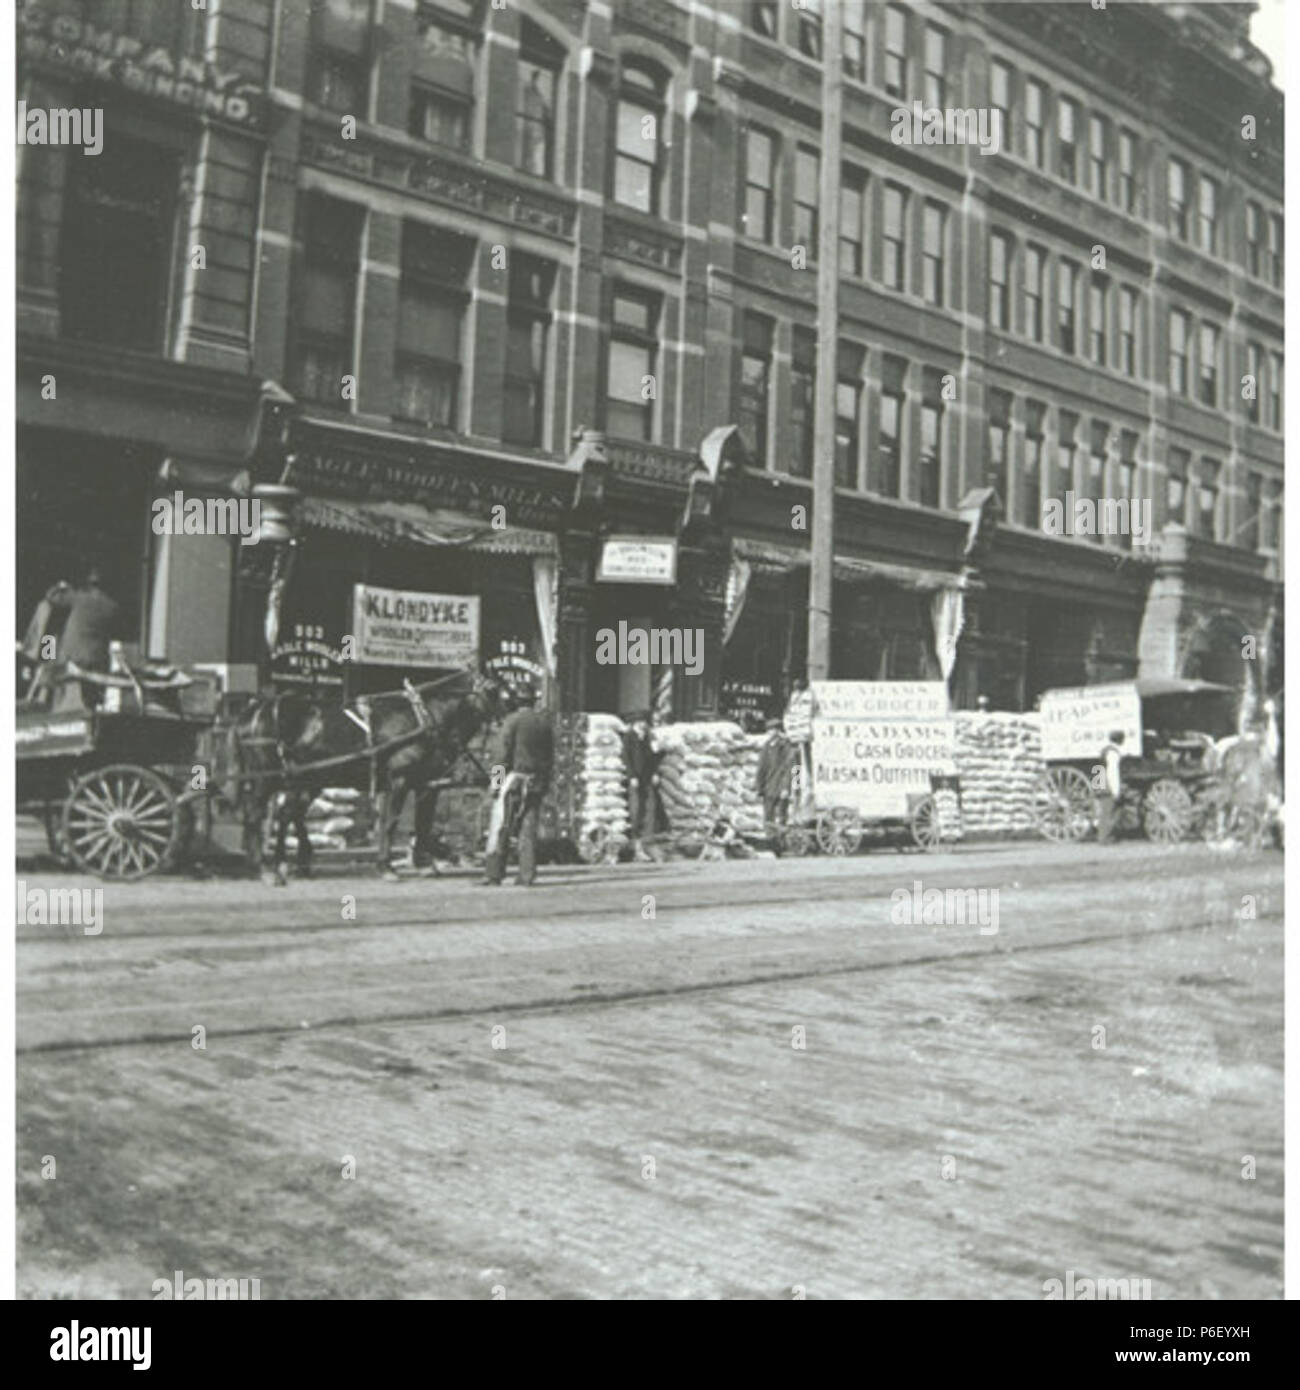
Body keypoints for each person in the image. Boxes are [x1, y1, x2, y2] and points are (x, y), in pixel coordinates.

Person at [483, 691, 553, 886]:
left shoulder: (511, 721)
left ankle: (494, 873)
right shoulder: (544, 723)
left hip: (513, 780)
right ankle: (527, 874)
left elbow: (501, 755)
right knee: (528, 828)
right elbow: (550, 758)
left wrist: (496, 784)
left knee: (501, 826)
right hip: (536, 781)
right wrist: (545, 783)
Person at [30, 568, 121, 711]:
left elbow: (51, 596)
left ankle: (44, 702)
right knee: (90, 698)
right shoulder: (112, 606)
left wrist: (62, 586)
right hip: (97, 658)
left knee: (49, 671)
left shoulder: (78, 598)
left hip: (65, 650)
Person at [623, 709, 666, 862]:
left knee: (650, 809)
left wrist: (655, 772)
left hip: (647, 778)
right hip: (636, 778)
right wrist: (632, 776)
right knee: (636, 809)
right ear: (635, 723)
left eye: (645, 722)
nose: (643, 725)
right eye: (640, 722)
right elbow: (626, 758)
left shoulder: (648, 737)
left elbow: (654, 757)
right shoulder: (629, 737)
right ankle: (636, 844)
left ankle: (648, 841)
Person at [756, 717, 794, 838]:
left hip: (781, 787)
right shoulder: (766, 747)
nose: (769, 733)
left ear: (778, 731)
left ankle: (780, 842)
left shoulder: (786, 747)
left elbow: (791, 769)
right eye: (768, 730)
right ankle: (770, 839)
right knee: (768, 816)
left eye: (772, 730)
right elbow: (761, 768)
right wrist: (759, 787)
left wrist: (787, 788)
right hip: (768, 787)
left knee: (782, 817)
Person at [1095, 730, 1126, 843]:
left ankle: (1105, 836)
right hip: (1105, 782)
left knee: (1106, 810)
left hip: (1099, 779)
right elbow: (1112, 772)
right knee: (1108, 809)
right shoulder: (1113, 753)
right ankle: (1104, 838)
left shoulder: (1106, 749)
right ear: (1121, 740)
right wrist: (1116, 791)